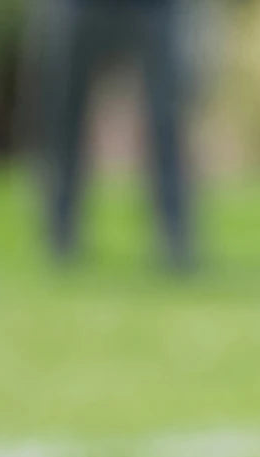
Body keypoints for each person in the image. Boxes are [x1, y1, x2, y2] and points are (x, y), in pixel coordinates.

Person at [35, 0, 193, 268]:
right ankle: (60, 236)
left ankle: (175, 240)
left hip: (153, 7)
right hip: (81, 7)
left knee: (165, 120)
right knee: (65, 115)